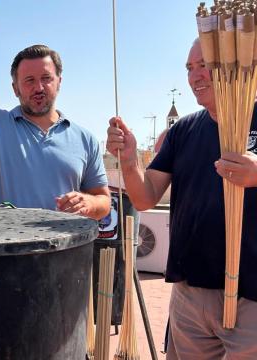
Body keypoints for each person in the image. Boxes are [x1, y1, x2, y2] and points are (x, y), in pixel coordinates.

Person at [106, 39, 257, 358]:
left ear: (236, 63)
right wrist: (131, 161)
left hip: (252, 295)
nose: (195, 76)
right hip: (191, 292)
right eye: (190, 68)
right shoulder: (183, 130)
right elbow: (145, 197)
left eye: (205, 65)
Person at [0, 0, 110, 220]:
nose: (39, 87)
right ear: (15, 88)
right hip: (5, 251)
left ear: (59, 81)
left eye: (46, 78)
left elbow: (104, 200)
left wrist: (88, 202)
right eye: (29, 80)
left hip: (64, 252)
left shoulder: (85, 139)